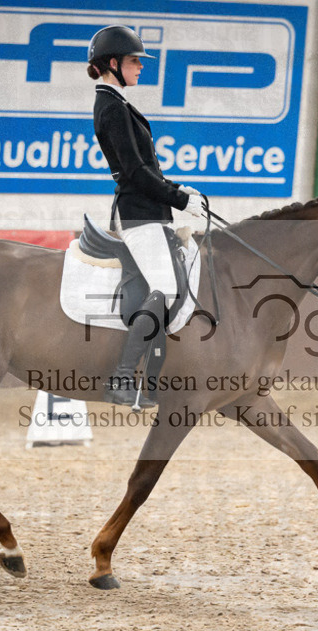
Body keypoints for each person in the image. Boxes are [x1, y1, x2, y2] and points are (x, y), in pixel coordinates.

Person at [87, 25, 204, 409]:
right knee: (166, 290)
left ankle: (153, 380)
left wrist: (176, 188)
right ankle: (122, 378)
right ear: (113, 63)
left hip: (149, 212)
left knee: (174, 284)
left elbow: (145, 169)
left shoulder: (118, 103)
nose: (141, 67)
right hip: (137, 215)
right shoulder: (111, 107)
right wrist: (177, 198)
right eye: (134, 61)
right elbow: (135, 173)